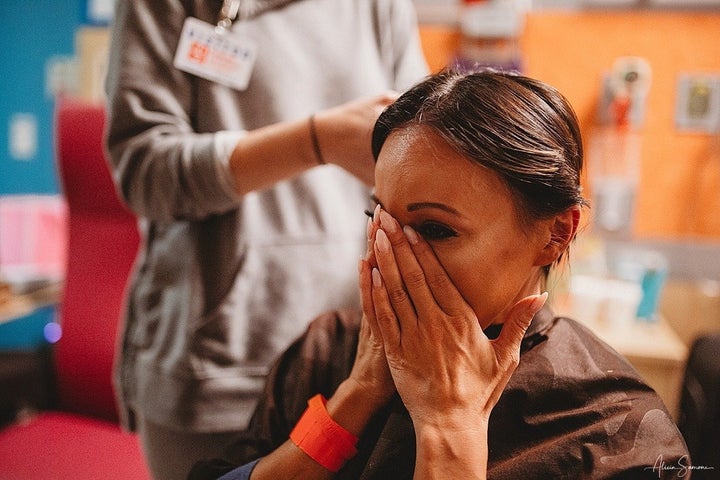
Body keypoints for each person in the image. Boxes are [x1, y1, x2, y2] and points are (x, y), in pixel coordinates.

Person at [189, 69, 690, 479]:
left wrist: (450, 427)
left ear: (556, 233)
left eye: (434, 229)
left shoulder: (616, 431)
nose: (389, 258)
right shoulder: (328, 351)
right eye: (378, 221)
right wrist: (352, 401)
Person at [103, 0, 429, 478]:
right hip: (220, 368)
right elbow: (143, 171)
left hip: (352, 363)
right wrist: (315, 142)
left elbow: (421, 145)